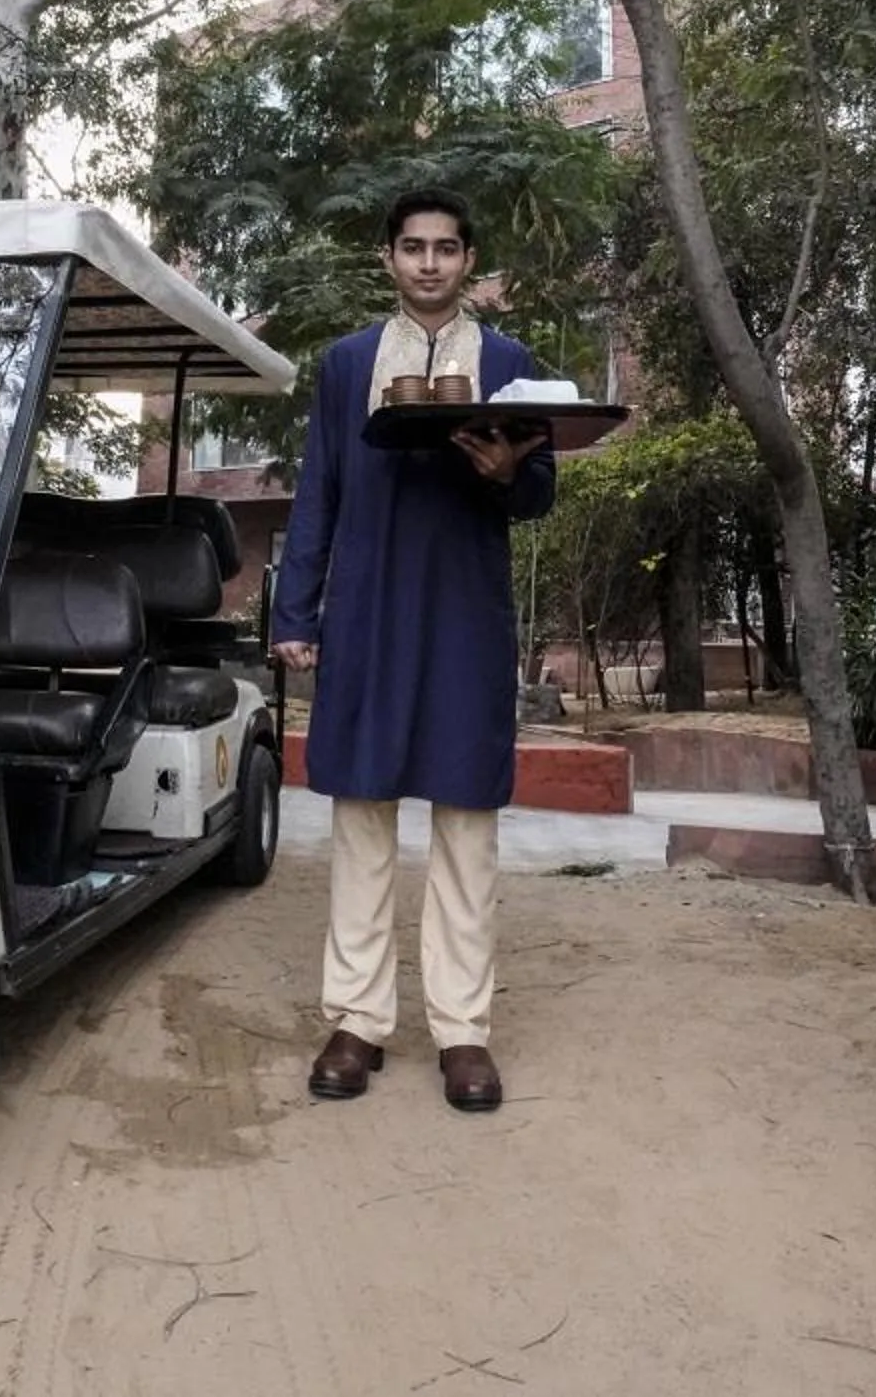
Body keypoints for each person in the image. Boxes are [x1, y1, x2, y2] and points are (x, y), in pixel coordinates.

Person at [269, 186, 557, 1114]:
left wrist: (510, 471)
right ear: (388, 258)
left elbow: (540, 491)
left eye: (446, 248)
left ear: (468, 261)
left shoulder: (510, 362)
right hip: (368, 610)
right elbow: (318, 492)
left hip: (466, 614)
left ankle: (463, 1031)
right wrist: (296, 613)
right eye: (413, 247)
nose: (429, 263)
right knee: (359, 816)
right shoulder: (346, 363)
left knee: (467, 822)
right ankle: (356, 1019)